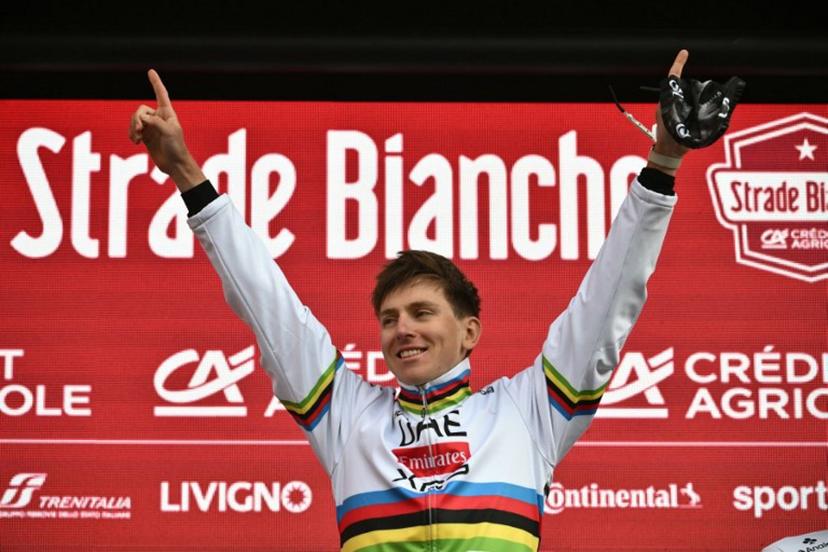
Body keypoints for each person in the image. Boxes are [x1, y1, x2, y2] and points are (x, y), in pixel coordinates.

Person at [129, 51, 690, 551]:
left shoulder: (528, 413)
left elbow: (608, 303)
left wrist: (663, 164)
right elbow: (266, 302)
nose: (403, 330)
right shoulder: (347, 417)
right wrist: (185, 173)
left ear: (469, 331)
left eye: (423, 313)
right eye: (390, 319)